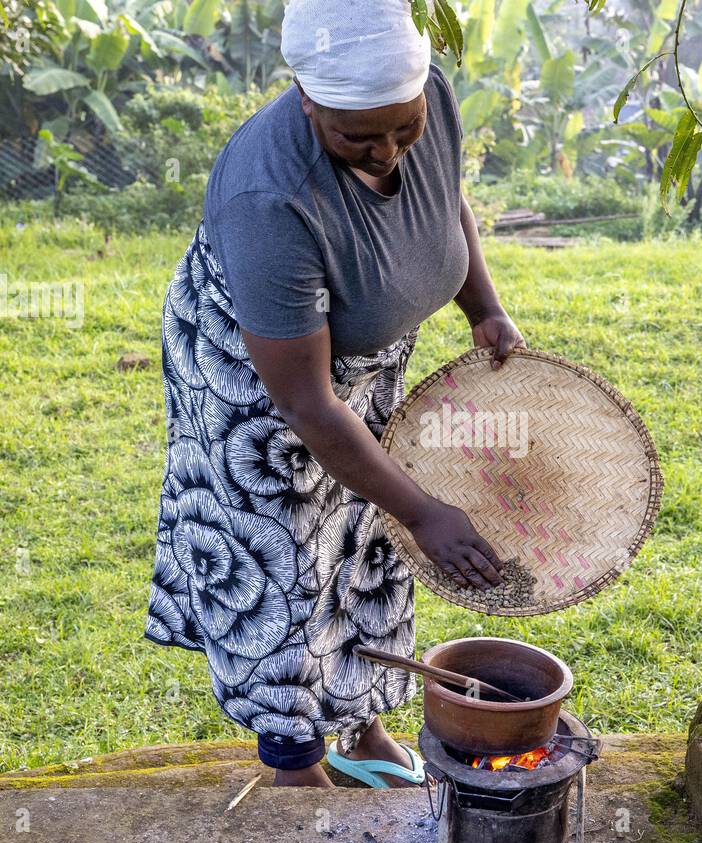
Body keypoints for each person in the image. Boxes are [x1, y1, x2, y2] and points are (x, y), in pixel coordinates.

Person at [143, 0, 525, 788]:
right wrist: (426, 510)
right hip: (257, 381)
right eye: (359, 136)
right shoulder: (268, 197)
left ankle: (360, 727)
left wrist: (483, 306)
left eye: (403, 127)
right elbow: (309, 408)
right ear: (307, 97)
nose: (387, 151)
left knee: (366, 538)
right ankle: (295, 762)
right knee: (288, 558)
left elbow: (442, 199)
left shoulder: (429, 98)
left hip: (367, 355)